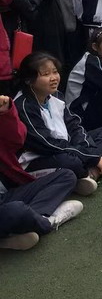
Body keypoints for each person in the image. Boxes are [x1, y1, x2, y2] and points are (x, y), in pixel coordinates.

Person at [14, 51, 102, 195]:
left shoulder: (56, 95)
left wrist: (89, 153)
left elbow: (74, 126)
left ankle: (89, 174)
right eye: (46, 74)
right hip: (37, 158)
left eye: (55, 72)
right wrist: (91, 157)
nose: (53, 78)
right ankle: (92, 171)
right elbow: (47, 144)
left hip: (65, 148)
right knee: (71, 162)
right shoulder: (23, 106)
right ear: (29, 80)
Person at [0, 95, 83, 246]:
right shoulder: (25, 102)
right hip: (9, 208)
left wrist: (6, 112)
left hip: (7, 195)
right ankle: (48, 222)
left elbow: (17, 139)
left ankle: (31, 221)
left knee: (66, 176)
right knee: (17, 210)